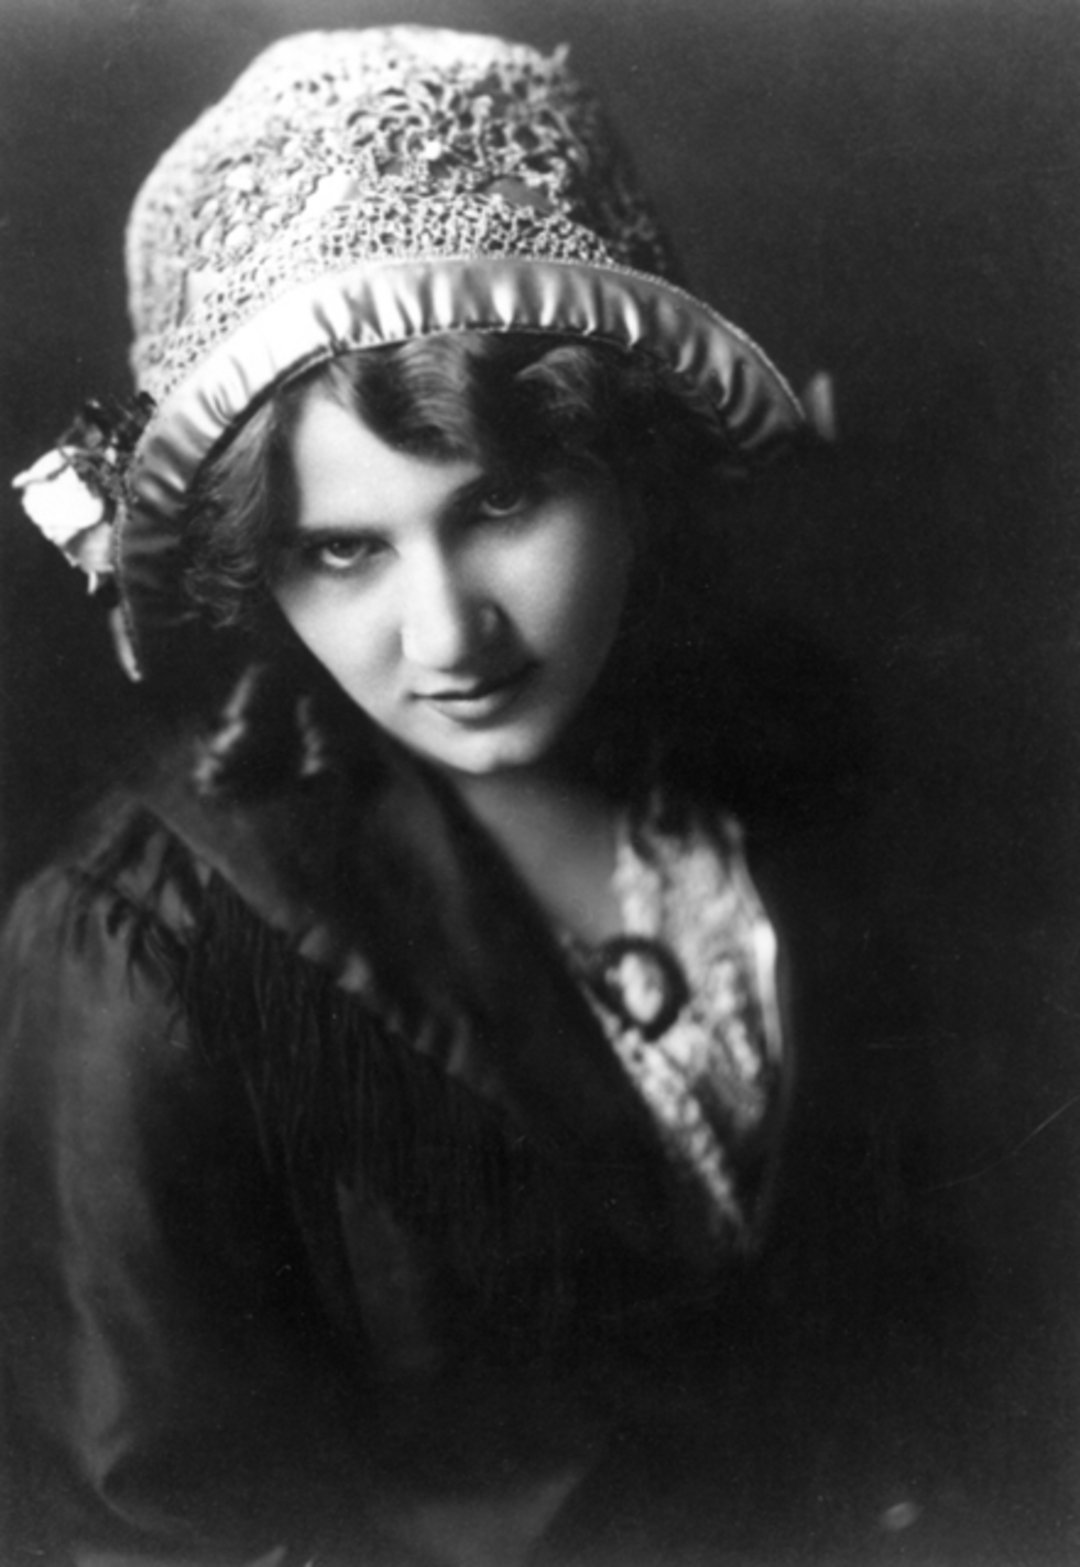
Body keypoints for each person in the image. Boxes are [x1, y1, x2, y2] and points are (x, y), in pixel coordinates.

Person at [0, 24, 857, 1566]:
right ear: (256, 566)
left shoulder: (790, 753)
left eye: (506, 503)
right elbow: (160, 1532)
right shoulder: (151, 952)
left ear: (635, 468)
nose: (447, 637)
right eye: (345, 548)